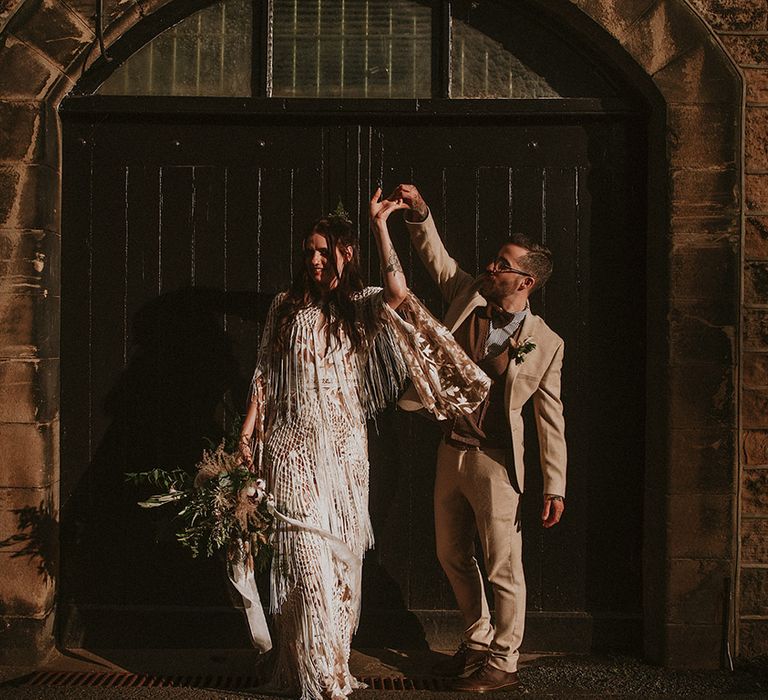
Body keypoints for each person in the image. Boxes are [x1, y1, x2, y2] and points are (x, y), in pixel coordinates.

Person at [236, 190, 490, 700]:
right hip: (288, 449)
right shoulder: (283, 307)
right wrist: (246, 436)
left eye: (322, 251)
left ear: (343, 255)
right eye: (307, 250)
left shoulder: (360, 305)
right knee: (303, 558)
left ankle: (324, 662)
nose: (312, 259)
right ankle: (316, 679)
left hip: (346, 454)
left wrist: (380, 226)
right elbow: (264, 372)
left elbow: (398, 288)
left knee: (340, 566)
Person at [393, 184, 567, 693]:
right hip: (452, 450)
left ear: (526, 280)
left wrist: (554, 485)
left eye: (502, 264)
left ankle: (505, 660)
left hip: (496, 462)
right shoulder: (469, 295)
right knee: (451, 553)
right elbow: (437, 261)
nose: (491, 268)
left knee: (502, 566)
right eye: (493, 261)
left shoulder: (546, 342)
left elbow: (549, 417)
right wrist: (420, 214)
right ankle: (475, 640)